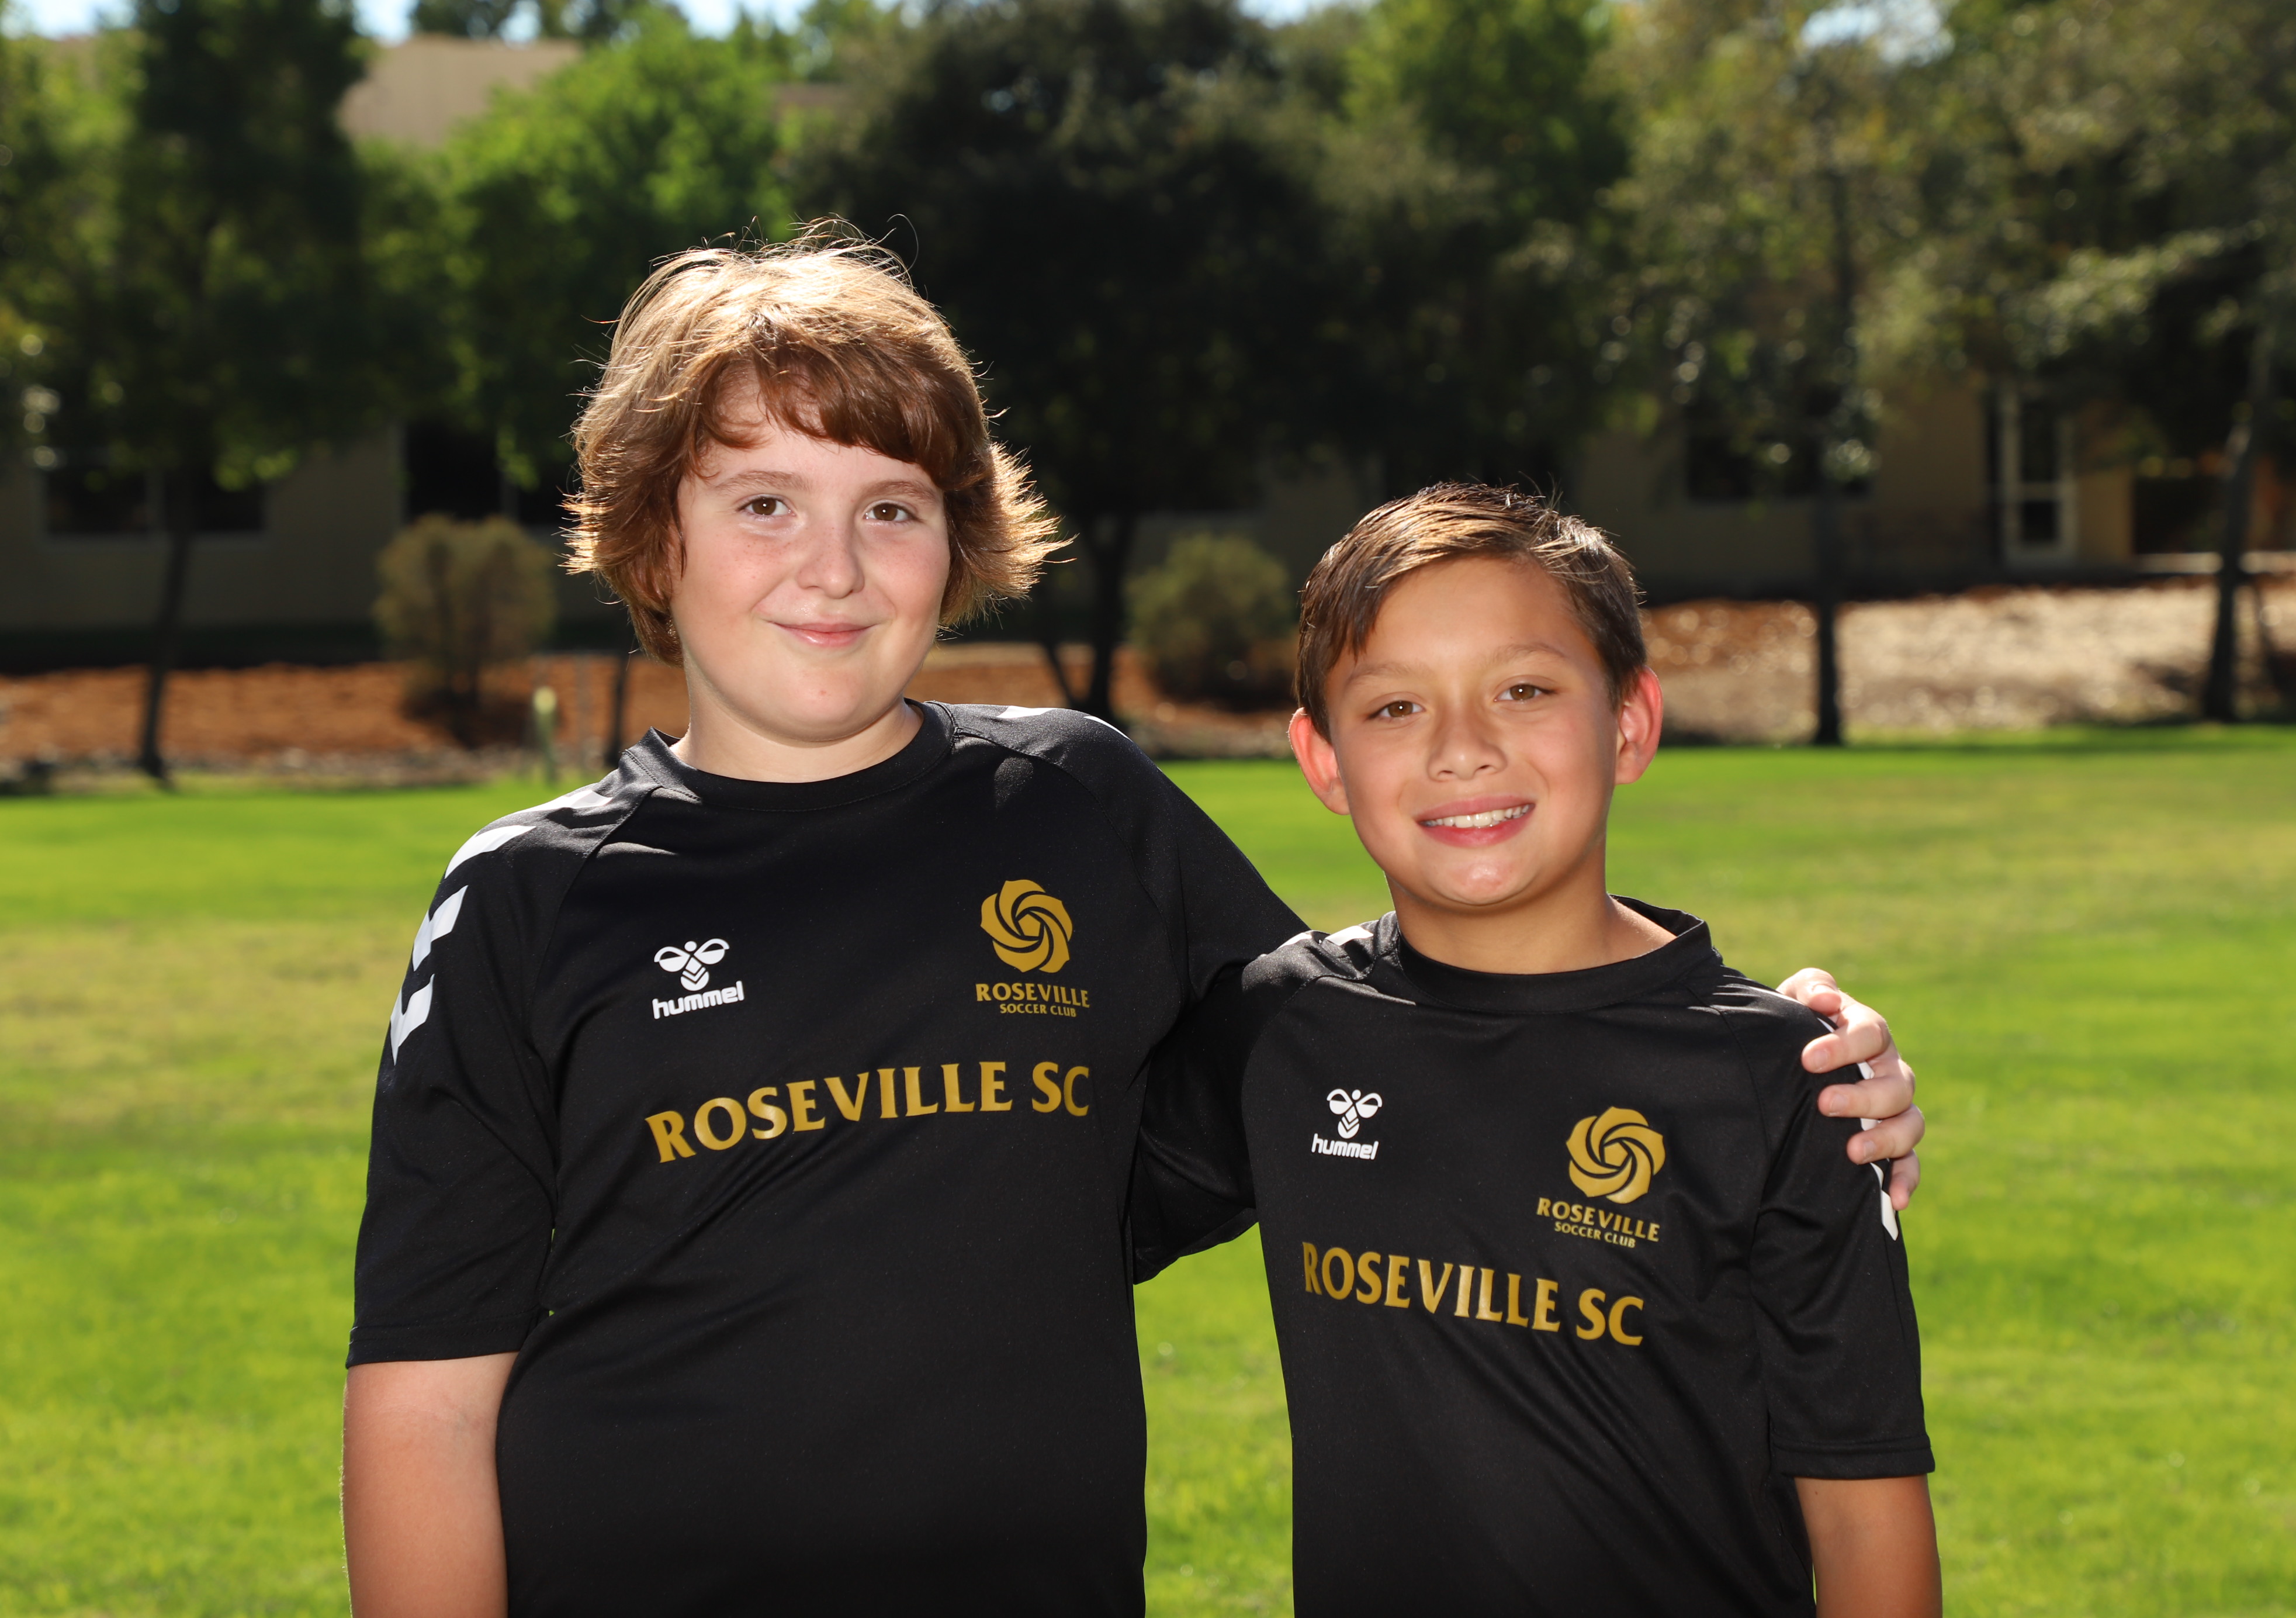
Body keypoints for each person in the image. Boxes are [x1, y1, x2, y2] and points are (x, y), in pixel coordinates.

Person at [340, 234, 1927, 1616]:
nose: (833, 567)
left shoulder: (1074, 805)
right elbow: (426, 1399)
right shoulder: (531, 898)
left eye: (891, 507)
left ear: (956, 539)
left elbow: (1419, 1031)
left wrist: (1793, 1062)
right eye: (765, 501)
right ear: (651, 532)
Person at [1135, 485, 1941, 1616]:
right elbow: (1018, 1205)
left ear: (1630, 722)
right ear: (1324, 762)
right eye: (1395, 707)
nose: (1463, 750)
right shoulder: (1282, 1028)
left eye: (1523, 690)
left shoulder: (1782, 1083)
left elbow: (1863, 1516)